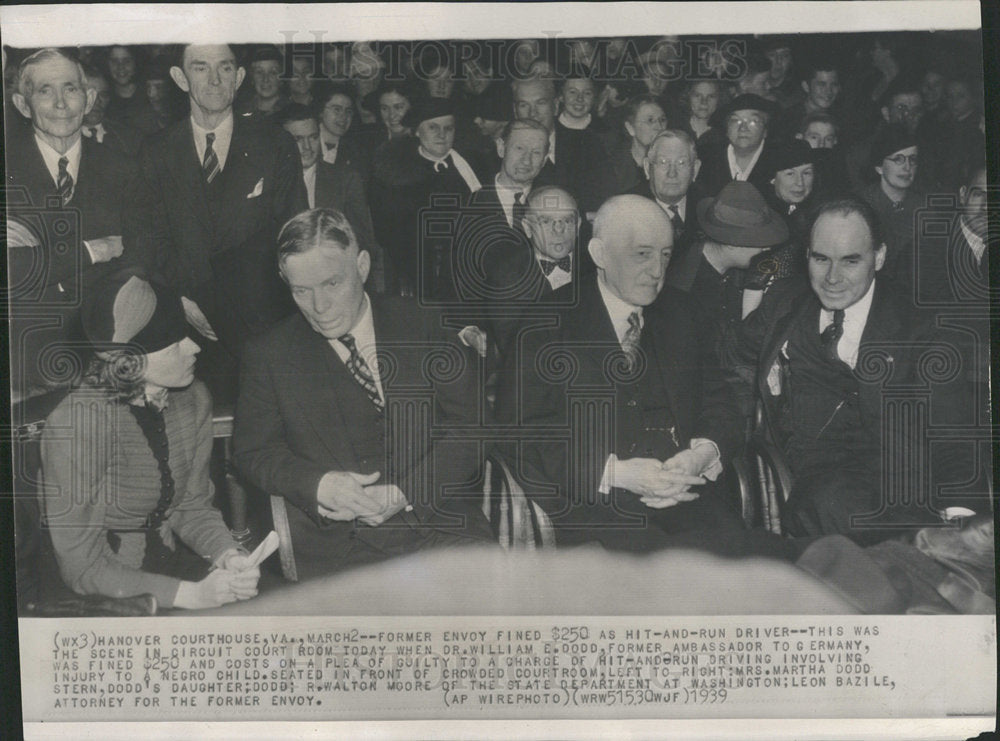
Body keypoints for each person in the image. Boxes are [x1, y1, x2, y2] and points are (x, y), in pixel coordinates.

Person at [232, 209, 493, 580]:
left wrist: (407, 492)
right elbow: (253, 452)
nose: (319, 308)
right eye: (301, 291)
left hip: (441, 524)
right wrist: (319, 485)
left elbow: (474, 427)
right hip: (338, 545)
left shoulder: (425, 324)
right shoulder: (269, 355)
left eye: (332, 284)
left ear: (363, 266)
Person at [724, 198, 986, 543]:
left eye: (850, 261)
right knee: (828, 506)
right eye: (821, 259)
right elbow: (729, 358)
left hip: (905, 487)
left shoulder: (922, 328)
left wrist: (959, 521)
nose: (832, 278)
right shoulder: (786, 304)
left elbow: (955, 436)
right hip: (819, 485)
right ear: (807, 256)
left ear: (878, 256)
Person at [495, 196, 745, 550]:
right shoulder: (545, 323)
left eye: (665, 254)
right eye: (642, 254)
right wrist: (619, 473)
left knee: (748, 569)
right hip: (595, 509)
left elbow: (722, 406)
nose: (657, 271)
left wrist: (699, 457)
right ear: (599, 254)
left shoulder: (682, 313)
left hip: (687, 498)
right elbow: (518, 434)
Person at [40, 270, 261, 610]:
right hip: (100, 592)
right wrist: (190, 595)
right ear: (130, 361)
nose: (195, 347)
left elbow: (191, 506)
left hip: (168, 565)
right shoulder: (77, 423)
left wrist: (226, 554)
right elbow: (81, 567)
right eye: (175, 343)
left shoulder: (193, 398)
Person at [125, 43, 307, 403]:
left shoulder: (275, 143)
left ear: (240, 78)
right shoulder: (156, 151)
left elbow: (294, 234)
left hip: (263, 328)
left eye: (224, 68)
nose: (213, 80)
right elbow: (146, 240)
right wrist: (180, 301)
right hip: (186, 331)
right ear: (180, 78)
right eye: (200, 68)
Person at [7, 48, 136, 398]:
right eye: (45, 91)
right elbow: (9, 272)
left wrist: (42, 257)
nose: (61, 103)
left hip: (109, 353)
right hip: (23, 358)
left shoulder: (124, 167)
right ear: (22, 104)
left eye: (71, 89)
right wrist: (97, 249)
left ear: (89, 97)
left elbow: (140, 258)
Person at [370, 97, 483, 298]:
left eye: (448, 128)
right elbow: (389, 234)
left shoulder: (471, 166)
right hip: (417, 273)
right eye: (433, 128)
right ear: (417, 131)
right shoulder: (398, 171)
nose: (442, 135)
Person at [666, 181, 789, 356]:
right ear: (732, 242)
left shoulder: (732, 268)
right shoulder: (685, 290)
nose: (767, 248)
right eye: (761, 241)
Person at [277, 104, 382, 292]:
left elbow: (364, 242)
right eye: (298, 140)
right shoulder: (270, 183)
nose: (307, 147)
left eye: (313, 137)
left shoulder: (345, 180)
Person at [484, 186, 588, 364]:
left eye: (567, 220)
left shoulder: (598, 266)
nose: (558, 230)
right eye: (546, 221)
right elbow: (517, 350)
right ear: (527, 227)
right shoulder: (507, 276)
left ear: (578, 225)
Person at [512, 74, 612, 213]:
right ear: (515, 111)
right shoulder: (501, 154)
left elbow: (602, 206)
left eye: (541, 103)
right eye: (523, 105)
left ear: (555, 105)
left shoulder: (588, 146)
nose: (532, 113)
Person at [859, 123, 923, 287]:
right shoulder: (860, 206)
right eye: (898, 159)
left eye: (912, 159)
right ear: (879, 167)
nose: (907, 167)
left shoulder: (923, 208)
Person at [632, 129, 704, 255]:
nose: (672, 173)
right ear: (647, 168)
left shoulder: (708, 209)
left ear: (695, 169)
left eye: (681, 163)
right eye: (663, 162)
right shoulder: (626, 209)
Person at [696, 93, 779, 198]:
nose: (743, 128)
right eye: (735, 120)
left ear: (765, 130)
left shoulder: (779, 163)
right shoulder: (706, 159)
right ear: (726, 129)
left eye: (753, 121)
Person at [606, 94, 667, 197]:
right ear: (630, 128)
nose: (659, 127)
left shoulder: (669, 163)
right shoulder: (613, 168)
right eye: (650, 120)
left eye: (662, 120)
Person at [80, 65, 144, 157]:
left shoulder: (130, 137)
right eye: (90, 95)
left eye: (103, 95)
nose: (97, 101)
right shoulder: (62, 138)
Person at [236, 45, 289, 119]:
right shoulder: (240, 111)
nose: (265, 79)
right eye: (259, 72)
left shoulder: (291, 111)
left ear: (281, 79)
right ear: (252, 77)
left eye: (273, 72)